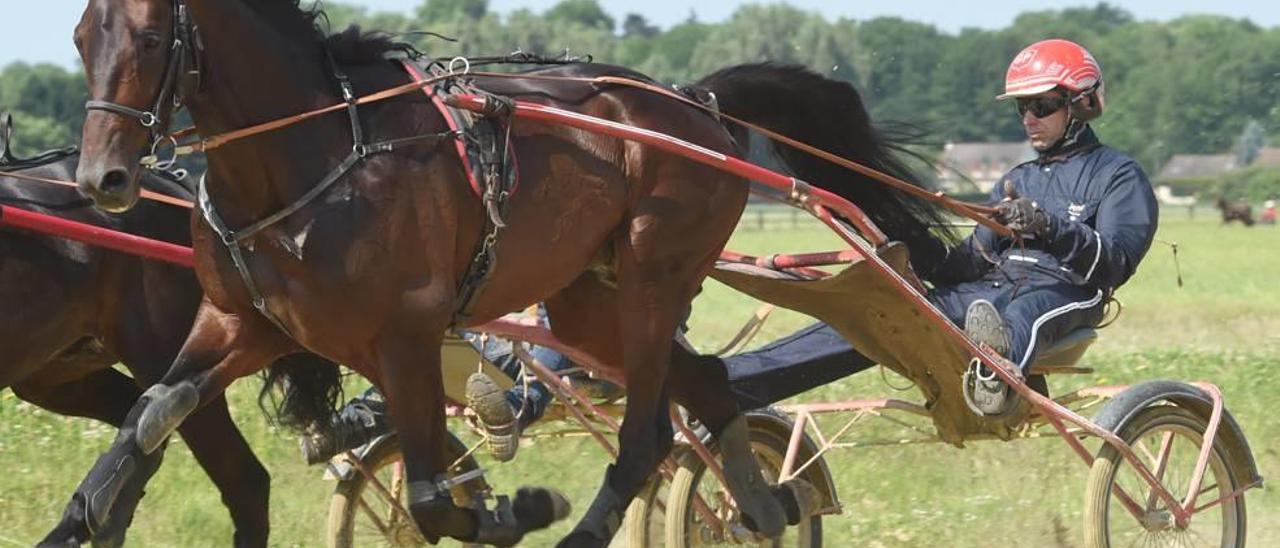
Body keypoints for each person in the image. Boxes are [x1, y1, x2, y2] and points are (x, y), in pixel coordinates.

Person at [721, 39, 1159, 416]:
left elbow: (1114, 265)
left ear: (1081, 103)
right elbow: (966, 266)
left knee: (1023, 310)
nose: (1029, 118)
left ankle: (998, 383)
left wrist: (1047, 226)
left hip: (1069, 290)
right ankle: (734, 381)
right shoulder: (1018, 179)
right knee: (884, 315)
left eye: (1041, 105)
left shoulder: (1119, 175)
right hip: (988, 291)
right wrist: (898, 234)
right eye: (1024, 107)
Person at [301, 304, 621, 464]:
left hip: (594, 361)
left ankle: (514, 411)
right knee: (428, 352)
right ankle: (348, 426)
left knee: (564, 320)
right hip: (521, 345)